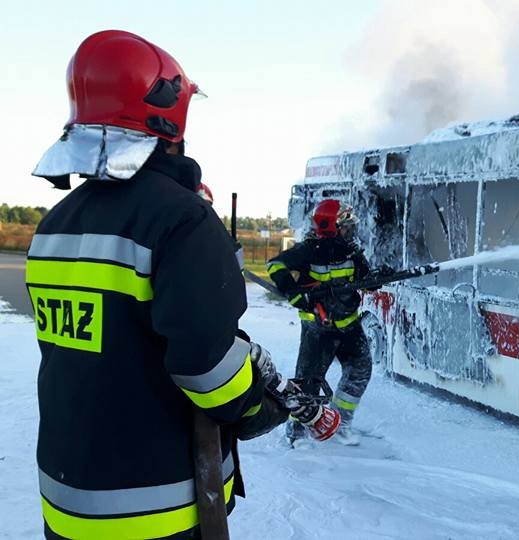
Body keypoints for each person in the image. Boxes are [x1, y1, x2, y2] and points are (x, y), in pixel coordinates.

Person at [27, 30, 336, 539]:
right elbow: (207, 370)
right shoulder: (181, 221)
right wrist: (265, 400)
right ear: (171, 114)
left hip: (65, 502)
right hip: (153, 510)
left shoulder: (55, 225)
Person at [267, 199, 375, 445]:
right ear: (332, 227)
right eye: (347, 227)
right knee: (308, 384)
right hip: (319, 328)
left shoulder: (351, 251)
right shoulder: (309, 250)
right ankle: (298, 436)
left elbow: (366, 278)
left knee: (360, 369)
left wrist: (377, 277)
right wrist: (294, 292)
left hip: (349, 324)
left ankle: (340, 421)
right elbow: (275, 265)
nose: (351, 231)